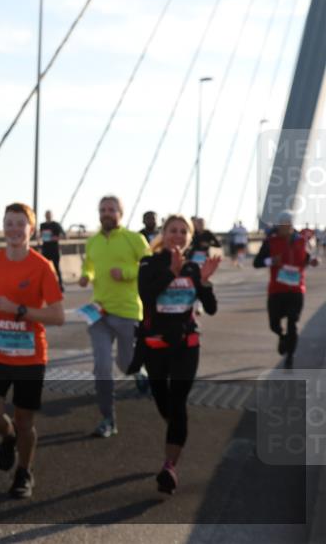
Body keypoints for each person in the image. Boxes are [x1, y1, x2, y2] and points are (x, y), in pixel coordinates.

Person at [0, 202, 65, 499]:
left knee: (25, 421)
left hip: (30, 357)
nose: (13, 229)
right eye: (8, 223)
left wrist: (19, 309)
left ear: (31, 229)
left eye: (20, 224)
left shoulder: (42, 266)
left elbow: (58, 316)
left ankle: (24, 471)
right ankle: (7, 436)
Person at [127, 214, 219, 494]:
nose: (178, 235)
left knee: (178, 402)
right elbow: (146, 295)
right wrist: (170, 272)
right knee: (164, 402)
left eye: (183, 231)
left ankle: (169, 466)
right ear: (163, 234)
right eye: (172, 230)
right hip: (155, 346)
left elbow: (211, 308)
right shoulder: (148, 263)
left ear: (190, 238)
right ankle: (175, 431)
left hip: (186, 345)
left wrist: (204, 282)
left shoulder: (193, 268)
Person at [78, 195, 151, 438]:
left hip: (127, 311)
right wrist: (86, 276)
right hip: (99, 312)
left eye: (111, 209)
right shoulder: (93, 242)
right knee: (102, 366)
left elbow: (150, 267)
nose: (106, 213)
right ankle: (107, 419)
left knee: (125, 364)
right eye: (102, 210)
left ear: (121, 213)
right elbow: (89, 265)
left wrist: (127, 272)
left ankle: (138, 372)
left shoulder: (134, 239)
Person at [253, 211, 320, 369]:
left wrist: (312, 261)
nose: (287, 227)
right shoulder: (270, 241)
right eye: (284, 224)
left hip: (296, 290)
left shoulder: (301, 240)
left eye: (289, 224)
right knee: (274, 324)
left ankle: (290, 356)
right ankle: (282, 336)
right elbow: (257, 263)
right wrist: (271, 260)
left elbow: (306, 257)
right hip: (276, 290)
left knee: (293, 323)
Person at [39, 210, 66, 291]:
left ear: (52, 215)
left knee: (56, 267)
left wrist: (55, 238)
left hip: (54, 249)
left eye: (49, 215)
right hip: (45, 249)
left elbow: (64, 235)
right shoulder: (42, 225)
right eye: (46, 215)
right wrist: (39, 238)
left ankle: (60, 285)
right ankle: (44, 286)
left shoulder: (56, 225)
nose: (48, 216)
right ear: (45, 216)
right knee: (44, 268)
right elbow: (41, 235)